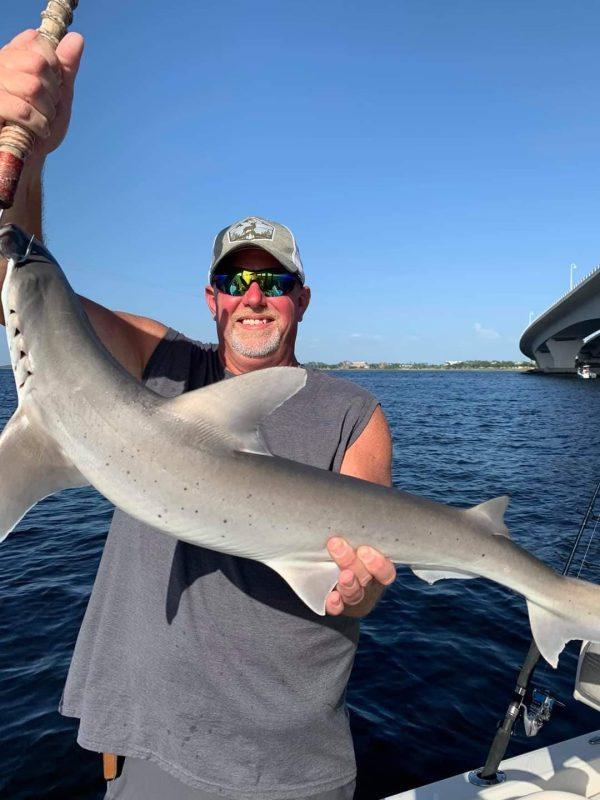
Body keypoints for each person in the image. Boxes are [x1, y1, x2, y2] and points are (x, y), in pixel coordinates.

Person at [0, 30, 396, 800]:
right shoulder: (160, 363)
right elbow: (31, 287)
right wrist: (32, 147)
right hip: (152, 755)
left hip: (293, 769)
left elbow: (367, 574)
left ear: (302, 299)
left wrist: (364, 587)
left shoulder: (356, 412)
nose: (254, 296)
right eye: (236, 279)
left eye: (274, 282)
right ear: (211, 297)